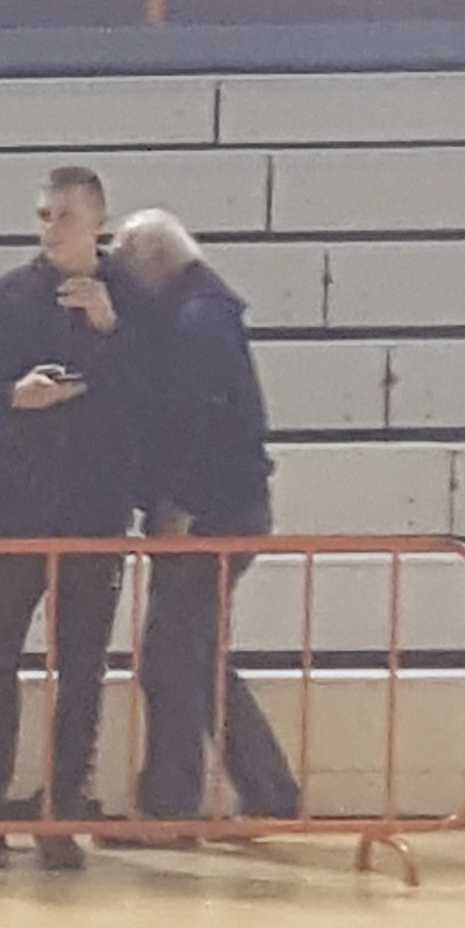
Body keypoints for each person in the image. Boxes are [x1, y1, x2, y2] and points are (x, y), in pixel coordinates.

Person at [0, 168, 144, 869]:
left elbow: (157, 396)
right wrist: (12, 396)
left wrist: (111, 332)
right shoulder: (1, 299)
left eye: (65, 215)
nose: (51, 228)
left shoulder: (134, 299)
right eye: (43, 215)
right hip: (14, 508)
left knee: (82, 666)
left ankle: (63, 809)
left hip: (96, 510)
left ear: (99, 222)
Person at [113, 210, 304, 832]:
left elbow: (205, 420)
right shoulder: (205, 311)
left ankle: (170, 805)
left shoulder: (194, 319)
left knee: (169, 658)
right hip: (229, 509)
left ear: (148, 258)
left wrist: (180, 503)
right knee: (195, 657)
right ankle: (270, 793)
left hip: (208, 516)